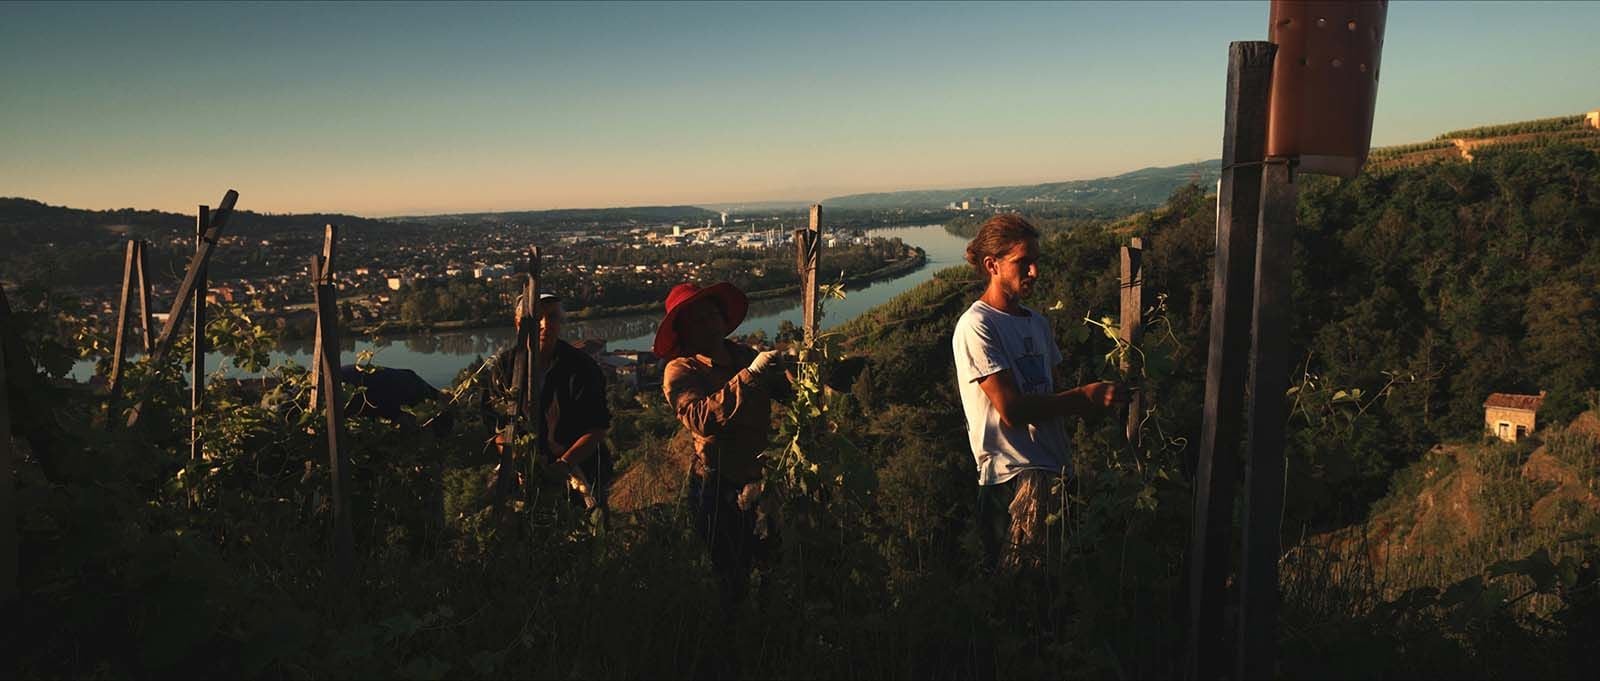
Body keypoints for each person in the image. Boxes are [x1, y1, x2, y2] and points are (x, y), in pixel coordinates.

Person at [951, 214, 1126, 571]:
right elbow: (1011, 410)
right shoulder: (977, 325)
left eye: (1036, 262)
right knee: (1017, 598)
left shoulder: (1038, 323)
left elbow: (1051, 398)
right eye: (1022, 263)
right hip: (1011, 482)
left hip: (1056, 473)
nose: (1034, 272)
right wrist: (1084, 398)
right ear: (992, 265)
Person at [655, 281, 786, 606]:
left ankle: (770, 638)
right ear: (684, 329)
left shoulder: (742, 354)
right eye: (699, 318)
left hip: (760, 482)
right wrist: (750, 377)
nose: (710, 322)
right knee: (730, 575)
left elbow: (785, 392)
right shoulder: (681, 370)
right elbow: (700, 417)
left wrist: (799, 372)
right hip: (716, 486)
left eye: (713, 313)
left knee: (771, 565)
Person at [484, 292, 613, 519]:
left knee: (587, 530)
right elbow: (496, 426)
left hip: (578, 468)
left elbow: (597, 428)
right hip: (522, 471)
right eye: (537, 318)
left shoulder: (581, 367)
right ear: (518, 324)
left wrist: (564, 464)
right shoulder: (504, 368)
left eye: (552, 317)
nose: (545, 324)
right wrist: (519, 460)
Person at [338, 364, 454, 435]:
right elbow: (403, 424)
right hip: (349, 389)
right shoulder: (420, 398)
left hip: (342, 378)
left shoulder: (415, 382)